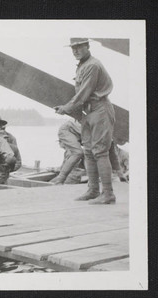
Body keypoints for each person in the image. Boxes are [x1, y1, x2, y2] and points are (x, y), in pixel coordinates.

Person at [54, 38, 116, 204]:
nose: (75, 50)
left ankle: (108, 193)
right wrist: (70, 107)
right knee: (88, 151)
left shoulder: (92, 65)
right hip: (88, 112)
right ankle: (93, 190)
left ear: (88, 46)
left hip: (100, 110)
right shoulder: (82, 65)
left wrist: (66, 108)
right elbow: (82, 95)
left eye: (79, 47)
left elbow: (83, 94)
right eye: (73, 48)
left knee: (100, 152)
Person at [50, 120, 84, 184]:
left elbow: (64, 167)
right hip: (74, 176)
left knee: (50, 183)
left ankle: (60, 180)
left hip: (71, 177)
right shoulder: (70, 152)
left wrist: (54, 170)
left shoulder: (71, 152)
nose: (60, 144)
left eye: (61, 141)